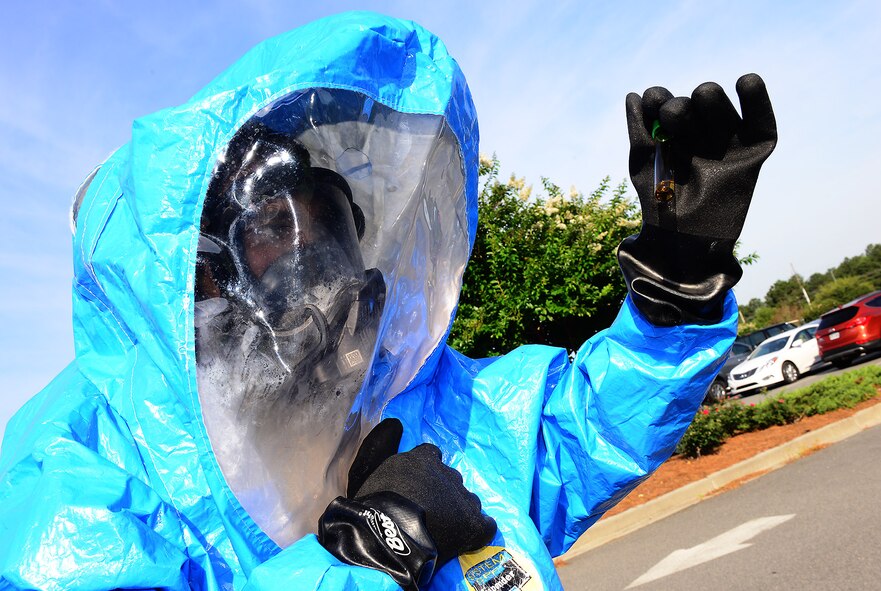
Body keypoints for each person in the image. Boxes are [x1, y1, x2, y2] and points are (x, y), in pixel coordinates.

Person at [0, 11, 775, 591]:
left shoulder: (399, 394)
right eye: (275, 227)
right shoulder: (79, 460)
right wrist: (369, 556)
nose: (319, 262)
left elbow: (577, 438)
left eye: (333, 224)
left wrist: (675, 293)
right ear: (194, 263)